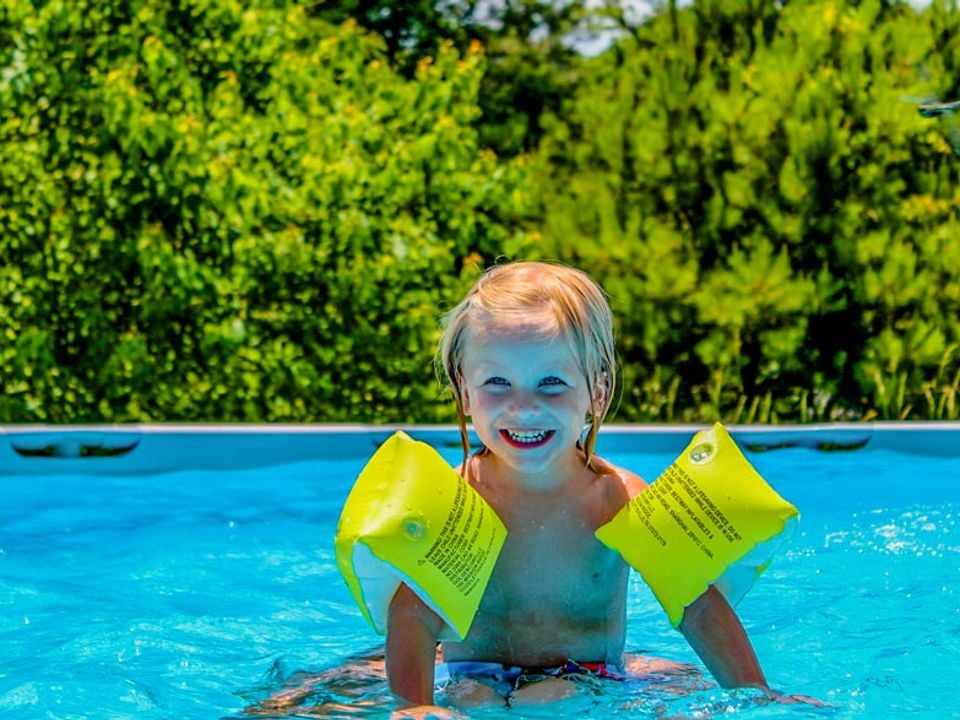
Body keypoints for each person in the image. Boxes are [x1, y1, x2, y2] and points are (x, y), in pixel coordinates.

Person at [386, 260, 807, 715]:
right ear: (465, 392)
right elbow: (413, 614)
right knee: (473, 702)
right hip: (472, 675)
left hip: (587, 675)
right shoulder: (454, 500)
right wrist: (412, 706)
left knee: (549, 701)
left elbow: (696, 604)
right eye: (497, 383)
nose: (523, 407)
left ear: (597, 392)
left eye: (551, 383)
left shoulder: (617, 500)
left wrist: (755, 694)